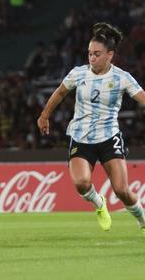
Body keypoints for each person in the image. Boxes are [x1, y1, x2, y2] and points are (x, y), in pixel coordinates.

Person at [37, 23, 145, 233]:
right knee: (81, 183)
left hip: (109, 137)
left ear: (110, 55)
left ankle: (142, 219)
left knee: (122, 190)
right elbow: (60, 93)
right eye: (89, 53)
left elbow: (142, 98)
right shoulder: (79, 74)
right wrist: (44, 115)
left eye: (97, 54)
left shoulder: (121, 78)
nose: (92, 58)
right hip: (81, 136)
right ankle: (99, 204)